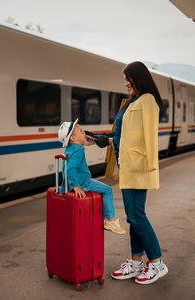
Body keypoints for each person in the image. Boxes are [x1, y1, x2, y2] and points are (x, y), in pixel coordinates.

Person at [87, 61, 168, 285]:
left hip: (139, 167)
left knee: (137, 217)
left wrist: (149, 165)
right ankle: (135, 262)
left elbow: (148, 138)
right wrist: (100, 138)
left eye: (128, 78)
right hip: (128, 166)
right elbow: (123, 135)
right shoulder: (132, 102)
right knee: (134, 217)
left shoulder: (148, 101)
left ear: (138, 77)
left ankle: (157, 262)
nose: (125, 83)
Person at [58, 119, 125, 235]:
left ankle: (109, 220)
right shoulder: (78, 150)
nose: (84, 133)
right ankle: (110, 220)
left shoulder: (70, 149)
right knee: (107, 190)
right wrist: (76, 186)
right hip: (83, 182)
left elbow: (66, 168)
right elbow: (70, 169)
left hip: (73, 182)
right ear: (73, 138)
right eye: (81, 131)